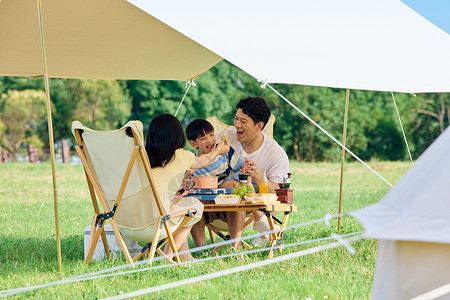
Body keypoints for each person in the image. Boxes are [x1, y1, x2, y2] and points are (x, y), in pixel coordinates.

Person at [145, 114, 229, 260]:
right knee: (194, 207)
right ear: (178, 135)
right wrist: (219, 150)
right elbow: (204, 161)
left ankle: (186, 256)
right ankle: (168, 255)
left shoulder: (142, 156)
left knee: (183, 205)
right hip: (159, 218)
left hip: (135, 218)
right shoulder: (180, 155)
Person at [218, 96, 290, 246]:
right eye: (236, 118)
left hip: (254, 202)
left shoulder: (276, 154)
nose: (236, 124)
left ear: (259, 126)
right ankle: (263, 225)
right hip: (218, 201)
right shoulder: (225, 138)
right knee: (234, 183)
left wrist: (256, 174)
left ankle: (239, 244)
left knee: (244, 185)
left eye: (243, 121)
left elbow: (279, 192)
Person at [186, 118, 253, 248]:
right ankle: (202, 249)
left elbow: (242, 167)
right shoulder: (192, 161)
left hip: (226, 205)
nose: (210, 140)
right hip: (204, 209)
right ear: (194, 144)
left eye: (211, 135)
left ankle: (235, 246)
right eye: (203, 138)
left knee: (234, 189)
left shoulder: (225, 152)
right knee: (191, 206)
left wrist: (247, 166)